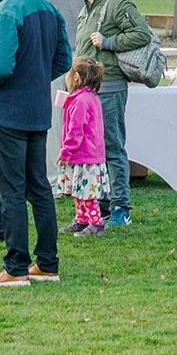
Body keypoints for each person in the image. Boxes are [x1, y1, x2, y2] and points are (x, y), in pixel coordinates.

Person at [0, 0, 71, 288]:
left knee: (12, 189)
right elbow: (64, 59)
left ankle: (15, 266)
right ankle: (47, 262)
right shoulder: (46, 7)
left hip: (7, 109)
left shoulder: (7, 10)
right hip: (36, 108)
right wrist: (35, 76)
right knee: (39, 186)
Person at [72, 0, 154, 229]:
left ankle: (121, 206)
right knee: (91, 149)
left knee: (112, 146)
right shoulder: (87, 7)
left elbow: (142, 34)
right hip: (86, 90)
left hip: (110, 86)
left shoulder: (117, 4)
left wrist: (109, 41)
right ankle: (100, 204)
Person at [35, 0, 85, 186]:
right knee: (84, 118)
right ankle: (82, 174)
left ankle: (55, 177)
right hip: (85, 60)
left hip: (55, 60)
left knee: (56, 120)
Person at [56, 57, 110, 238]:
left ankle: (96, 223)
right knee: (79, 191)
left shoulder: (80, 101)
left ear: (77, 77)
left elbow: (75, 131)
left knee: (87, 193)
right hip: (87, 155)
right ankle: (82, 220)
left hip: (84, 155)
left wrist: (66, 151)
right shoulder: (88, 98)